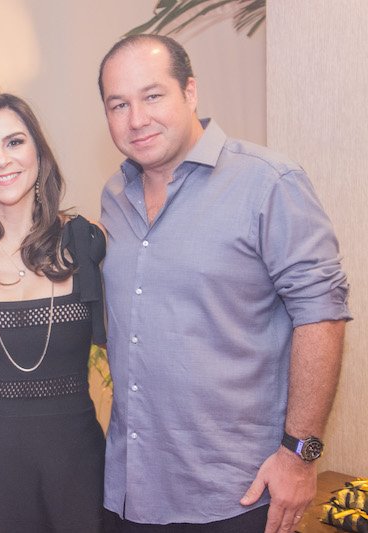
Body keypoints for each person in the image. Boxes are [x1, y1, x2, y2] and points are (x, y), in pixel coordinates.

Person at [97, 34, 351, 533]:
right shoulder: (114, 196)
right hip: (132, 488)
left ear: (190, 92)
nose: (136, 119)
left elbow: (322, 316)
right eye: (118, 104)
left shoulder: (268, 182)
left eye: (153, 96)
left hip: (238, 493)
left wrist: (300, 455)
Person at [0, 91, 107, 532]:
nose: (1, 160)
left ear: (38, 152)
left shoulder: (87, 243)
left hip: (75, 466)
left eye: (14, 142)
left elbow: (132, 354)